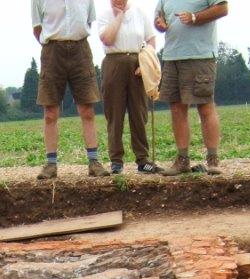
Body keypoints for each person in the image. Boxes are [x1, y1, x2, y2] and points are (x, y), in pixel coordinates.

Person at [32, 0, 110, 180]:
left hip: (80, 49)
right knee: (50, 112)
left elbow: (88, 22)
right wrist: (54, 42)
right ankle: (51, 164)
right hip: (52, 51)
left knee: (87, 110)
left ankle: (94, 161)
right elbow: (37, 28)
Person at [154, 0, 229, 175]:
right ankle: (182, 160)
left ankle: (212, 159)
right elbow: (159, 18)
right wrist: (160, 24)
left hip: (200, 55)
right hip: (172, 55)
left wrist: (194, 17)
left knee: (205, 106)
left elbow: (223, 8)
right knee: (177, 108)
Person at [97, 0, 162, 174]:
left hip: (136, 64)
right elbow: (108, 39)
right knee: (114, 114)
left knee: (139, 113)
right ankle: (116, 161)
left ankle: (143, 159)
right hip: (113, 63)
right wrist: (119, 16)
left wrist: (146, 63)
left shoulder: (140, 13)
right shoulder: (104, 15)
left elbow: (151, 40)